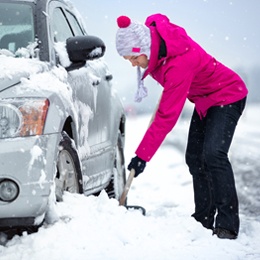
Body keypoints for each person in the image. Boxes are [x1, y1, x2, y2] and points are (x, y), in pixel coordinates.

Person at [115, 14, 248, 239]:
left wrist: (142, 156)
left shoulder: (178, 65)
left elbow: (166, 116)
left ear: (144, 49)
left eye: (133, 58)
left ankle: (227, 222)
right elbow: (157, 19)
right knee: (195, 158)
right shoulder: (155, 43)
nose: (133, 64)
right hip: (205, 100)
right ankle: (204, 218)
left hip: (227, 94)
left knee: (213, 154)